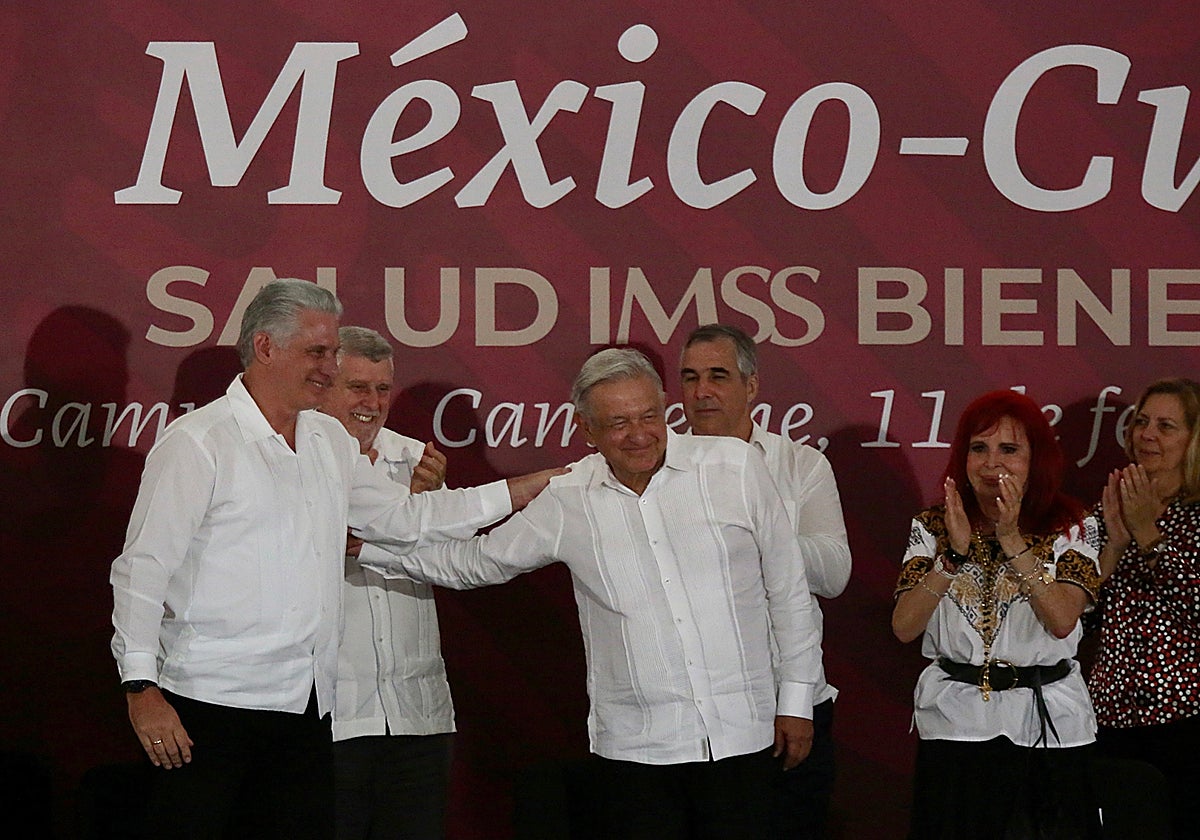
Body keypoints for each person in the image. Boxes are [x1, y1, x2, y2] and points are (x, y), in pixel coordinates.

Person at [109, 280, 554, 839]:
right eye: (318, 352)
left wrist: (522, 489)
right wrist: (140, 687)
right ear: (266, 347)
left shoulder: (326, 439)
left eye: (332, 352)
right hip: (209, 704)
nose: (329, 366)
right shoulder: (199, 443)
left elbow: (402, 520)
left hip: (308, 706)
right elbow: (142, 569)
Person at [367, 347, 824, 838]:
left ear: (666, 408)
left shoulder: (735, 467)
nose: (639, 434)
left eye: (649, 415)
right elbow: (475, 562)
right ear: (586, 430)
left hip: (744, 735)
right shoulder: (569, 497)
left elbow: (789, 590)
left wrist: (796, 701)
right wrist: (369, 549)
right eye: (618, 422)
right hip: (635, 749)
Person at [891, 390, 1103, 839]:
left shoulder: (1073, 525)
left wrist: (1013, 541)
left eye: (1009, 449)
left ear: (1036, 458)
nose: (992, 464)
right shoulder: (933, 525)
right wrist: (953, 556)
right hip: (956, 724)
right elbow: (904, 627)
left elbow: (1063, 619)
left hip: (1050, 725)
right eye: (978, 448)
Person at [679, 324, 849, 838]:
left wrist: (758, 539)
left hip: (790, 706)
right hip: (696, 712)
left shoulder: (801, 466)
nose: (701, 391)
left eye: (717, 376)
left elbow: (834, 572)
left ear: (752, 386)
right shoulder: (657, 469)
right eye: (689, 378)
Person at [319, 326, 456, 840]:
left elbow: (457, 565)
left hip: (418, 715)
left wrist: (429, 506)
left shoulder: (421, 464)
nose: (371, 403)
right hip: (333, 717)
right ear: (324, 385)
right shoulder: (299, 461)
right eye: (356, 387)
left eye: (382, 389)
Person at [1087, 377, 1200, 836]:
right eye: (1142, 422)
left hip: (1185, 721)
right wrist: (1115, 543)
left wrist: (1149, 536)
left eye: (1166, 426)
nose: (1147, 435)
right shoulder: (1110, 508)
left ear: (1193, 440)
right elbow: (1080, 617)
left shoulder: (1195, 516)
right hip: (1110, 718)